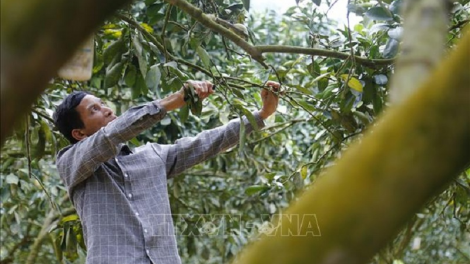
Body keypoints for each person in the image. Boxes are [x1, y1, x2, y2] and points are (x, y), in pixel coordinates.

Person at [53, 80, 280, 264]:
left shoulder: (153, 155)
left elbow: (206, 143)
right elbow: (110, 136)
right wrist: (174, 100)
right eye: (94, 110)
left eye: (102, 103)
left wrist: (261, 115)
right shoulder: (71, 162)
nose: (107, 109)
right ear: (79, 134)